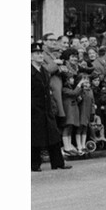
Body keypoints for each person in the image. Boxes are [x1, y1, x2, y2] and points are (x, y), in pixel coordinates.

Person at [31, 39, 70, 171]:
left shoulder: (43, 70)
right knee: (36, 137)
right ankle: (34, 164)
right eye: (36, 53)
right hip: (35, 108)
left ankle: (58, 162)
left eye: (41, 53)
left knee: (54, 135)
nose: (40, 55)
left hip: (47, 108)